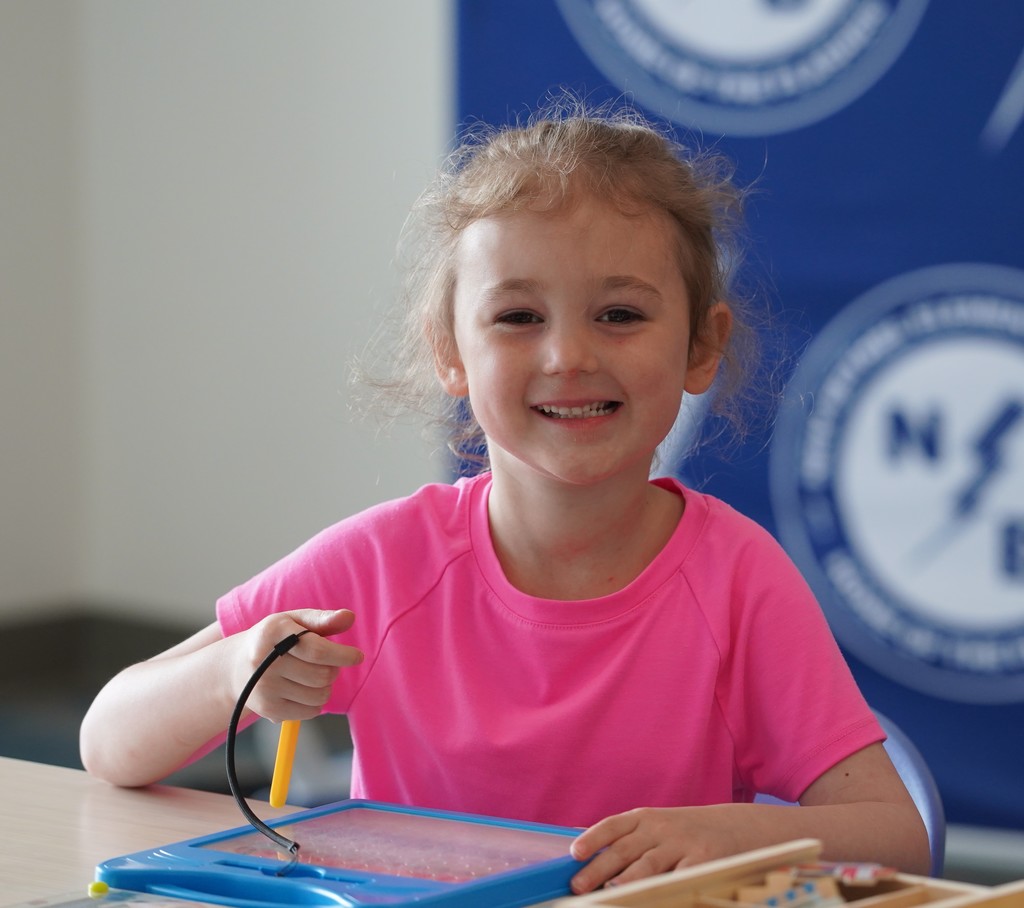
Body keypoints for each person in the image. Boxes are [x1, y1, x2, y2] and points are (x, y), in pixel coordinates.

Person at [80, 101, 930, 893]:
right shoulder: (385, 563)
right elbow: (108, 741)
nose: (567, 356)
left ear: (701, 348)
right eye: (519, 317)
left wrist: (729, 836)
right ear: (451, 349)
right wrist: (237, 674)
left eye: (621, 315)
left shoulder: (737, 580)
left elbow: (899, 836)